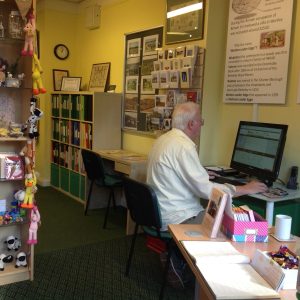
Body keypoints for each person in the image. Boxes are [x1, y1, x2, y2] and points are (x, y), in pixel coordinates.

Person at [146, 101, 268, 287]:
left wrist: (201, 173)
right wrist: (244, 189)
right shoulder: (184, 147)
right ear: (191, 124)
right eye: (200, 121)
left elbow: (180, 173)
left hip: (158, 211)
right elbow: (206, 191)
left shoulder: (165, 139)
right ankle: (205, 276)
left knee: (220, 217)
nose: (201, 125)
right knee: (227, 225)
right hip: (177, 216)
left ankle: (177, 254)